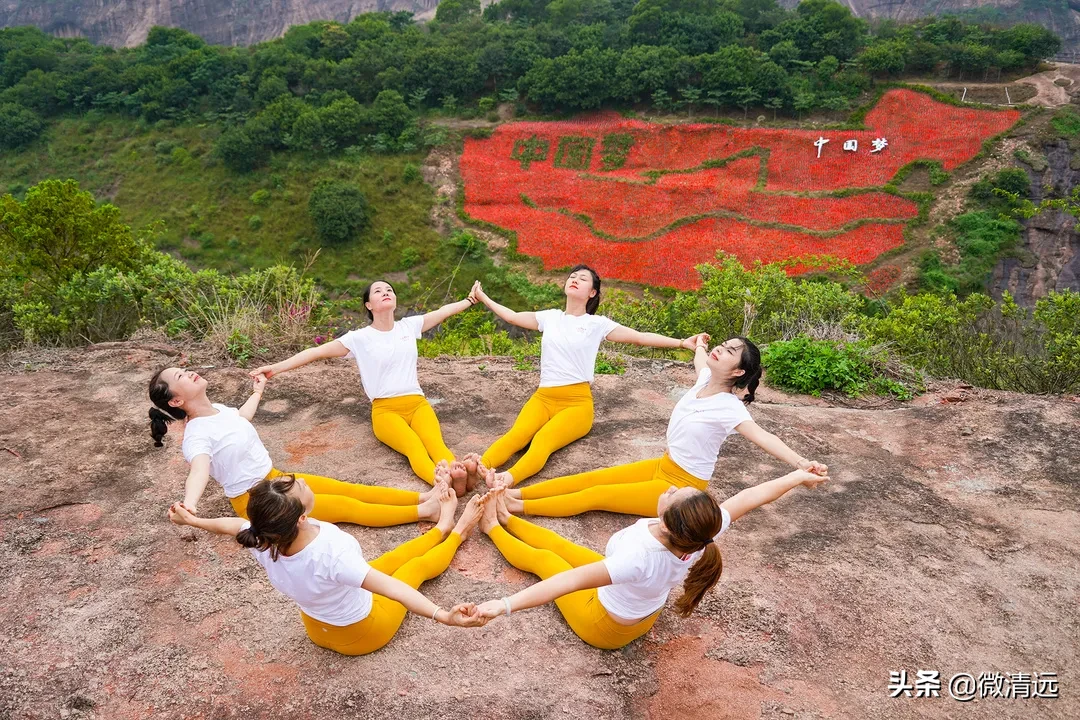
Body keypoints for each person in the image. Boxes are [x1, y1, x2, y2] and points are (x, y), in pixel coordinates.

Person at [474, 468, 828, 649]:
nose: (672, 488)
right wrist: (798, 476)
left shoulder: (640, 557)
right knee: (560, 545)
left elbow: (564, 582)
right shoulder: (703, 532)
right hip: (639, 604)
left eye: (674, 494)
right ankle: (509, 517)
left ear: (664, 519)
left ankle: (491, 526)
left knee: (545, 561)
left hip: (605, 625)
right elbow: (753, 495)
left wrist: (501, 605)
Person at [500, 335, 828, 517]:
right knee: (589, 478)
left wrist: (800, 463)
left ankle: (517, 507)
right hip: (662, 465)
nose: (720, 350)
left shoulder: (729, 407)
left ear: (739, 372)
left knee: (596, 495)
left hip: (682, 487)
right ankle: (516, 492)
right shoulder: (704, 378)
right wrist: (699, 344)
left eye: (729, 351)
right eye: (723, 344)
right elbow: (701, 360)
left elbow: (762, 436)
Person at [167, 470, 487, 655]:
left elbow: (227, 524)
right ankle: (456, 531)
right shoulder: (332, 555)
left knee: (390, 559)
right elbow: (397, 590)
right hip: (361, 634)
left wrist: (193, 521)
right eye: (300, 487)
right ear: (302, 516)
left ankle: (440, 528)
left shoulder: (262, 538)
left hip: (316, 628)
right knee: (411, 569)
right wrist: (443, 615)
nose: (304, 482)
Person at [465, 265, 705, 489]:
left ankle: (507, 479)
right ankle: (479, 466)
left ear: (592, 292)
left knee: (543, 441)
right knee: (517, 435)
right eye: (572, 276)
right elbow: (513, 317)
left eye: (582, 279)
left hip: (577, 405)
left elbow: (639, 337)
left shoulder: (597, 324)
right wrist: (483, 297)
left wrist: (683, 342)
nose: (574, 280)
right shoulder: (550, 317)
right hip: (543, 397)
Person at [250, 280, 479, 494]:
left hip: (418, 403)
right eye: (378, 291)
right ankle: (441, 483)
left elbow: (443, 312)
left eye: (389, 290)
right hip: (385, 411)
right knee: (414, 446)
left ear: (395, 300)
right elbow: (315, 352)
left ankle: (457, 475)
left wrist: (470, 300)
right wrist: (275, 368)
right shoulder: (359, 338)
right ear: (369, 305)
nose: (385, 293)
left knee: (435, 443)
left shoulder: (408, 326)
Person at [149, 367, 439, 526]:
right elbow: (198, 471)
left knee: (346, 488)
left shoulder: (220, 410)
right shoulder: (196, 435)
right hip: (257, 501)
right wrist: (190, 504)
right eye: (180, 377)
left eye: (185, 370)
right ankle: (428, 513)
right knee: (346, 507)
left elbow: (241, 417)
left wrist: (258, 392)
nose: (189, 373)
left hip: (275, 478)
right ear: (175, 401)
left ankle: (423, 498)